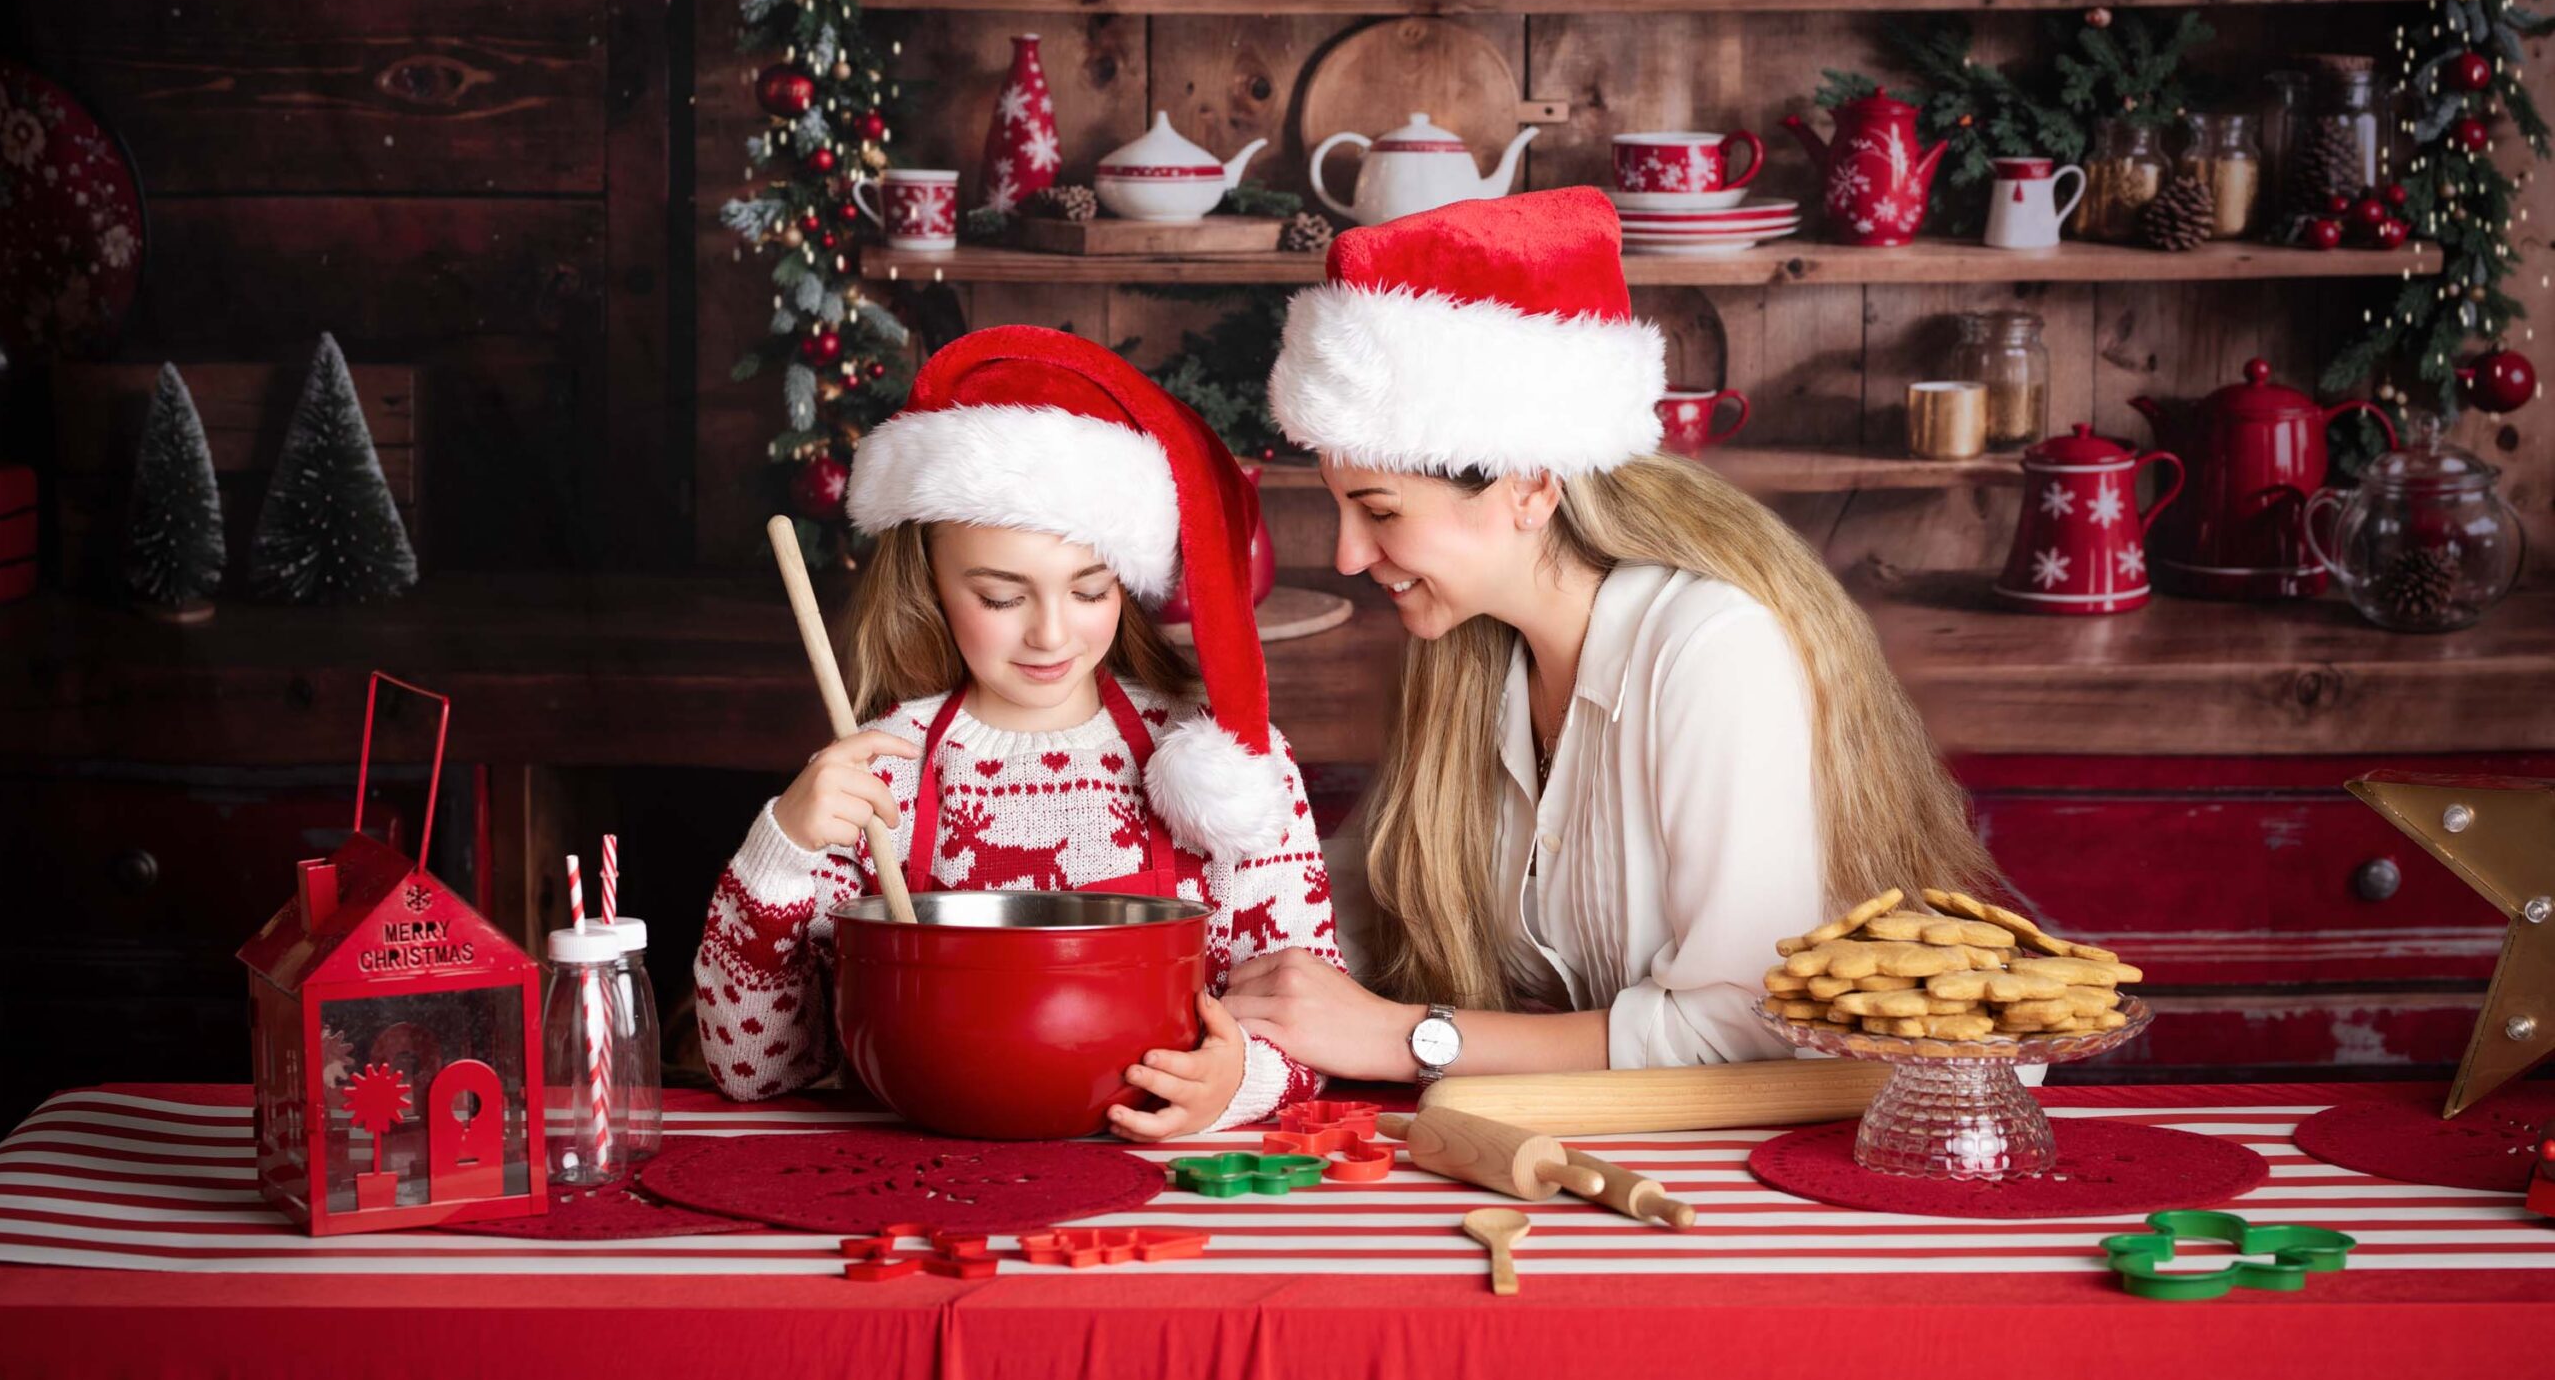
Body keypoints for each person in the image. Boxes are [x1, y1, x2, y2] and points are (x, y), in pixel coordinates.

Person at [1223, 187, 2000, 1087]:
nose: (1350, 556)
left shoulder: (1711, 653)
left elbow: (1744, 1020)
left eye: (1379, 511)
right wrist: (1246, 999)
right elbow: (1356, 905)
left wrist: (1407, 1038)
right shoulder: (1464, 653)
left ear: (1528, 488)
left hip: (1767, 1168)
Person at [694, 327, 1340, 1137]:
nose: (1050, 635)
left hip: (1159, 1190)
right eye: (1002, 597)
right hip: (923, 1185)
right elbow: (752, 1070)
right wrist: (781, 846)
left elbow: (1311, 1018)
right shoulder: (876, 776)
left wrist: (1241, 1079)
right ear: (929, 578)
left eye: (1091, 590)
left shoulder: (1228, 764)